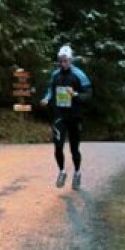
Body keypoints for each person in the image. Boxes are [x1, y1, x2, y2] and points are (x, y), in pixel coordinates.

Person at [39, 45, 92, 190]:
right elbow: (51, 90)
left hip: (75, 115)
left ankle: (77, 172)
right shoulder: (55, 75)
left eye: (65, 61)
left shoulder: (79, 75)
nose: (63, 64)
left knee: (74, 148)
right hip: (59, 115)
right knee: (58, 146)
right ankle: (62, 171)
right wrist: (46, 99)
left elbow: (88, 94)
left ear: (70, 60)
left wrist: (75, 94)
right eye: (60, 61)